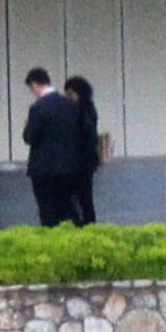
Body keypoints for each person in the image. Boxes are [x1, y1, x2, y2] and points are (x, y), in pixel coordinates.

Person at [23, 68, 84, 227]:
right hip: (68, 166)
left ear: (34, 85)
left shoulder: (38, 107)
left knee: (47, 211)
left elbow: (29, 137)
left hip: (43, 168)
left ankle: (51, 238)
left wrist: (27, 126)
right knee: (68, 207)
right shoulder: (70, 104)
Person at [65, 76, 100, 226]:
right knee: (85, 197)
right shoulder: (89, 108)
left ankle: (80, 223)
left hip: (79, 160)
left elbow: (86, 134)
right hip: (86, 160)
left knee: (76, 196)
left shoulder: (79, 110)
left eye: (70, 94)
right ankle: (87, 223)